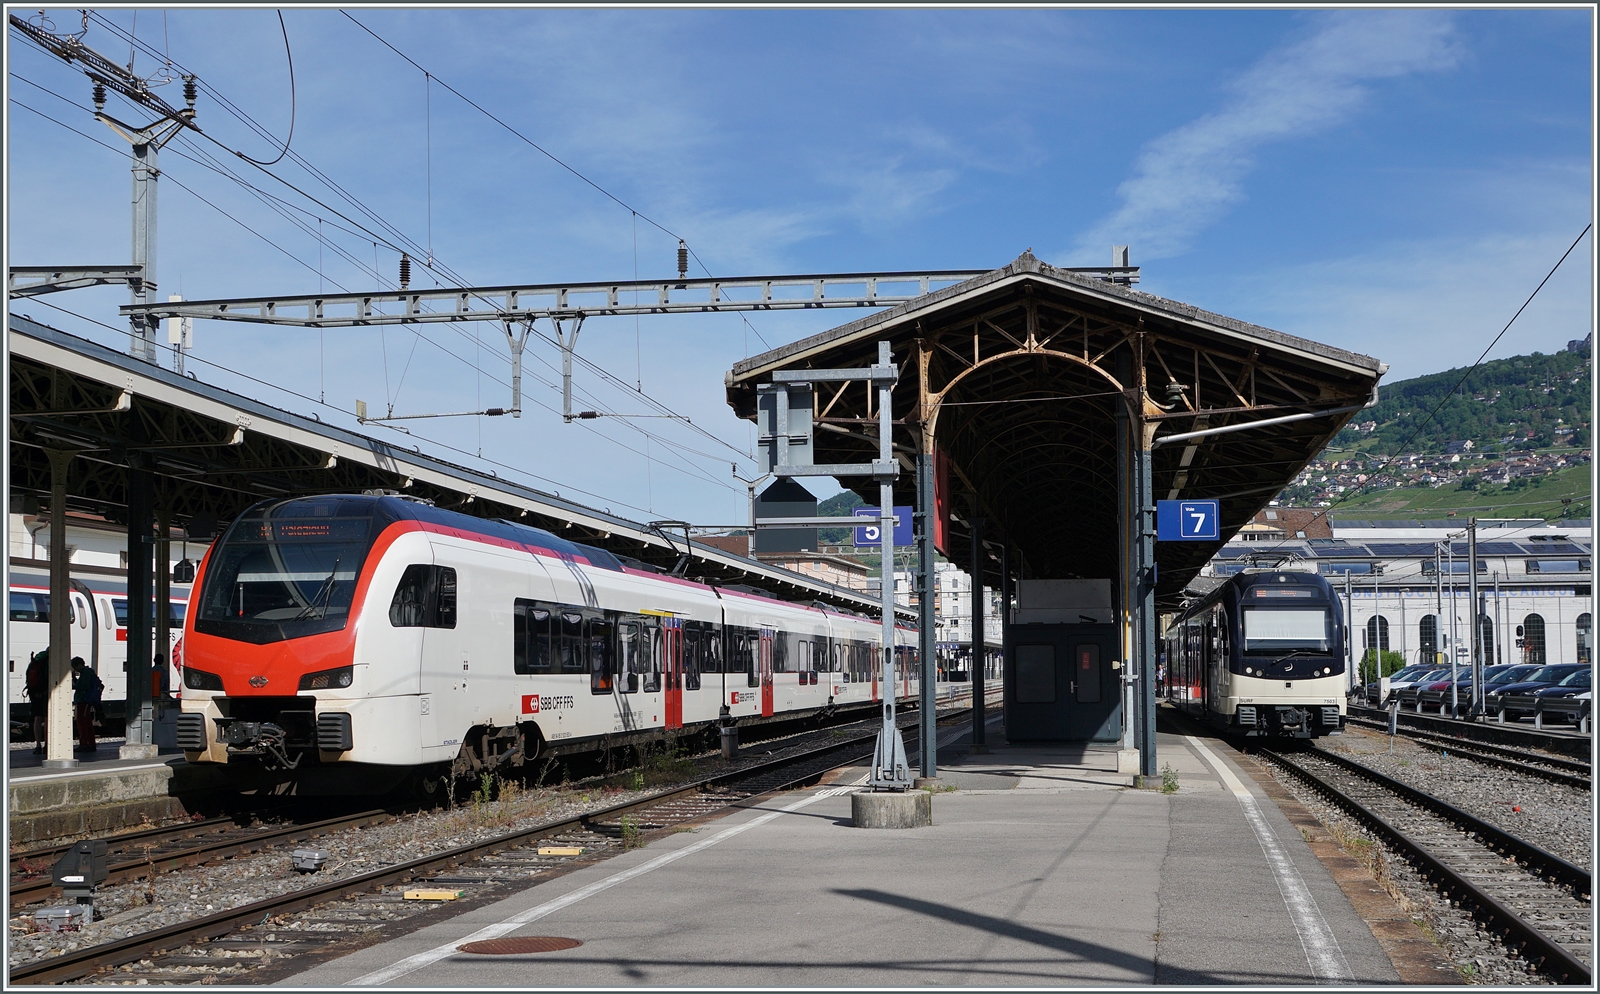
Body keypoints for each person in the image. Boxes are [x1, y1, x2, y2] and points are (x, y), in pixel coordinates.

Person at [70, 657, 102, 754]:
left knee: (82, 722)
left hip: (84, 700)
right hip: (85, 701)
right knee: (86, 722)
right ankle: (89, 743)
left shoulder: (86, 673)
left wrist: (74, 686)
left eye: (74, 667)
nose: (75, 670)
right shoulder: (87, 672)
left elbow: (84, 686)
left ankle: (85, 743)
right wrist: (74, 679)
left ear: (78, 665)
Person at [24, 649, 49, 754]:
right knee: (48, 718)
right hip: (45, 693)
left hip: (34, 693)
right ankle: (48, 744)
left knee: (37, 719)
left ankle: (38, 744)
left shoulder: (35, 660)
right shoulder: (49, 660)